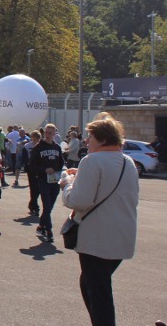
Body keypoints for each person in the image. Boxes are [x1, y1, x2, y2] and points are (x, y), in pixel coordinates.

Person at [60, 114, 139, 326]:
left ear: (102, 139)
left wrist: (67, 183)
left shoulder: (91, 161)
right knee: (90, 285)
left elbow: (78, 200)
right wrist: (80, 177)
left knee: (99, 293)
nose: (87, 141)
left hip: (96, 240)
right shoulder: (127, 162)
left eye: (91, 137)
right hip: (122, 237)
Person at [32, 124, 64, 242]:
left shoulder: (57, 147)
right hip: (43, 179)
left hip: (54, 180)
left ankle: (41, 226)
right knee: (46, 204)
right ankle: (49, 231)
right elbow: (32, 165)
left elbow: (61, 162)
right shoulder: (38, 147)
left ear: (55, 134)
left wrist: (57, 170)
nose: (48, 134)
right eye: (47, 132)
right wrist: (44, 169)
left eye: (51, 133)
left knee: (49, 206)